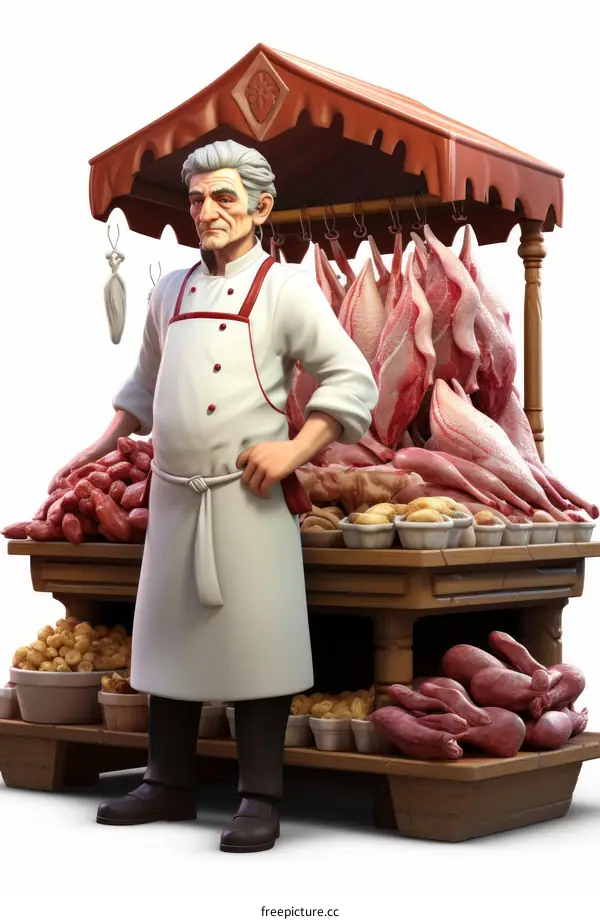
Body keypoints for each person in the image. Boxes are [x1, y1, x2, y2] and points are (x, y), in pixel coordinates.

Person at [51, 140, 379, 852]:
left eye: (225, 197)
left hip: (248, 500)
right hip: (174, 497)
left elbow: (350, 381)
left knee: (256, 647)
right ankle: (167, 782)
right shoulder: (167, 290)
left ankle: (259, 795)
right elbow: (143, 383)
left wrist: (292, 450)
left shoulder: (287, 289)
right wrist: (105, 440)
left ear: (262, 207)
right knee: (168, 641)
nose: (208, 211)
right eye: (198, 199)